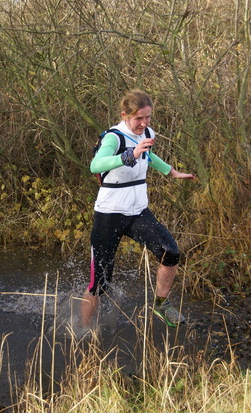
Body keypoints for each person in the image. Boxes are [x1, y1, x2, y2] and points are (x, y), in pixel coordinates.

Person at [80, 89, 196, 329]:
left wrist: (171, 171)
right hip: (109, 213)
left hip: (138, 211)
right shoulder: (114, 137)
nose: (144, 123)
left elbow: (148, 155)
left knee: (170, 253)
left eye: (148, 117)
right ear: (125, 115)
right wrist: (128, 155)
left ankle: (162, 305)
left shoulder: (148, 133)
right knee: (99, 283)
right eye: (138, 119)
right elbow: (96, 165)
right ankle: (83, 332)